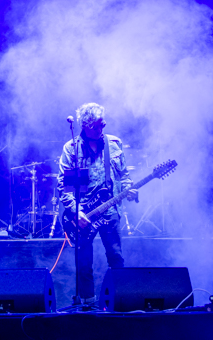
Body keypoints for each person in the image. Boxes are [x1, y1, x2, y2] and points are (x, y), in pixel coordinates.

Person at [56, 103, 138, 305]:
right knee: (84, 264)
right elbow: (64, 186)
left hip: (110, 211)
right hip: (84, 214)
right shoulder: (72, 148)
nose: (105, 125)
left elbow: (124, 175)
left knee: (116, 258)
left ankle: (121, 302)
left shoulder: (114, 144)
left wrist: (129, 189)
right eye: (100, 123)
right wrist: (76, 212)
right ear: (87, 125)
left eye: (104, 121)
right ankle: (88, 304)